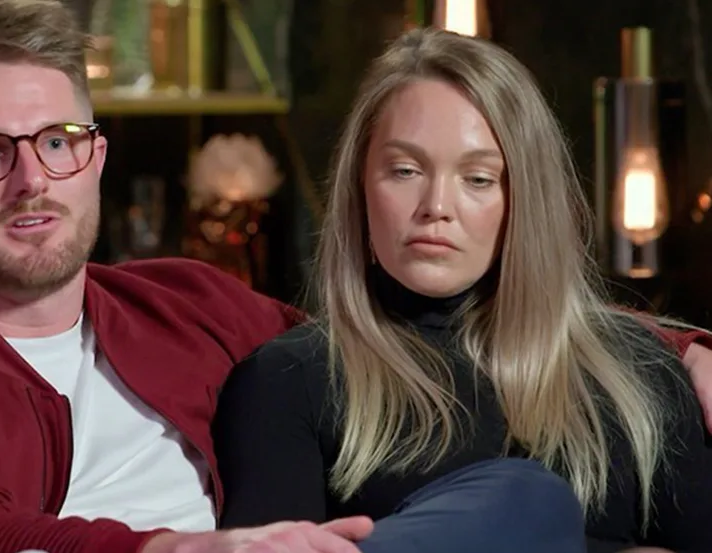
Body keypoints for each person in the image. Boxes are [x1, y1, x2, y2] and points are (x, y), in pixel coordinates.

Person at [0, 1, 705, 552]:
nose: (31, 179)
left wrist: (672, 350)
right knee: (526, 499)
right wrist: (177, 549)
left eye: (57, 141)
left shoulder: (187, 307)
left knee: (517, 500)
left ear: (96, 157)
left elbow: (405, 329)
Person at [212, 27, 712, 553]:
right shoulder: (290, 380)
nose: (436, 206)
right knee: (528, 497)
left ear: (525, 199)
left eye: (478, 179)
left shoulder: (638, 374)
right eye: (404, 170)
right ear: (360, 187)